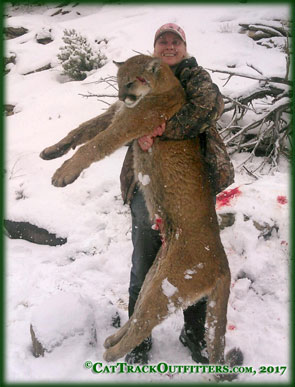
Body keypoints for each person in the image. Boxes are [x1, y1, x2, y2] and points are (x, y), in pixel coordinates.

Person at [119, 23, 234, 364]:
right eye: (162, 41)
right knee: (144, 261)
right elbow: (120, 120)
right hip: (147, 183)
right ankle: (137, 340)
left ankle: (195, 335)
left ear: (184, 47)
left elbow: (208, 108)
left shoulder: (196, 76)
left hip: (190, 187)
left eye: (175, 41)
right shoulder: (139, 79)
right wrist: (136, 133)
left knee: (193, 259)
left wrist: (161, 130)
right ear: (154, 48)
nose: (168, 46)